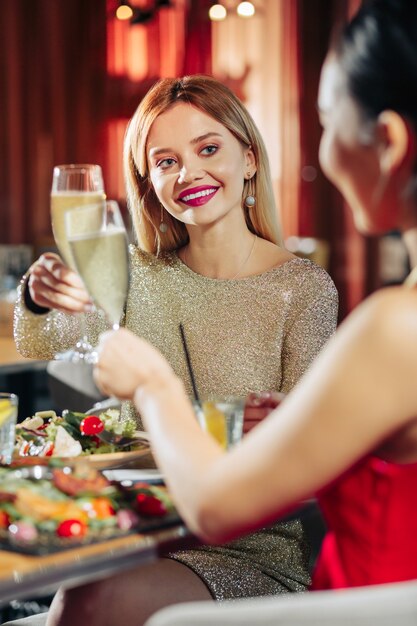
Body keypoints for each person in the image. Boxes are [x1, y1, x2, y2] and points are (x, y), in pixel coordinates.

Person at [90, 0, 417, 602]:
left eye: (326, 123)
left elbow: (217, 509)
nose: (323, 155)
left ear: (390, 142)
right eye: (166, 160)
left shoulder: (396, 326)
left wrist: (152, 386)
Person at [12, 76, 338, 624]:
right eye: (164, 162)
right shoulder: (135, 273)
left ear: (250, 159)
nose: (188, 174)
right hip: (131, 530)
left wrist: (278, 425)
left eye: (208, 149)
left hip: (246, 549)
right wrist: (41, 295)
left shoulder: (302, 288)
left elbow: (309, 453)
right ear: (148, 182)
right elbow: (45, 339)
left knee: (88, 601)